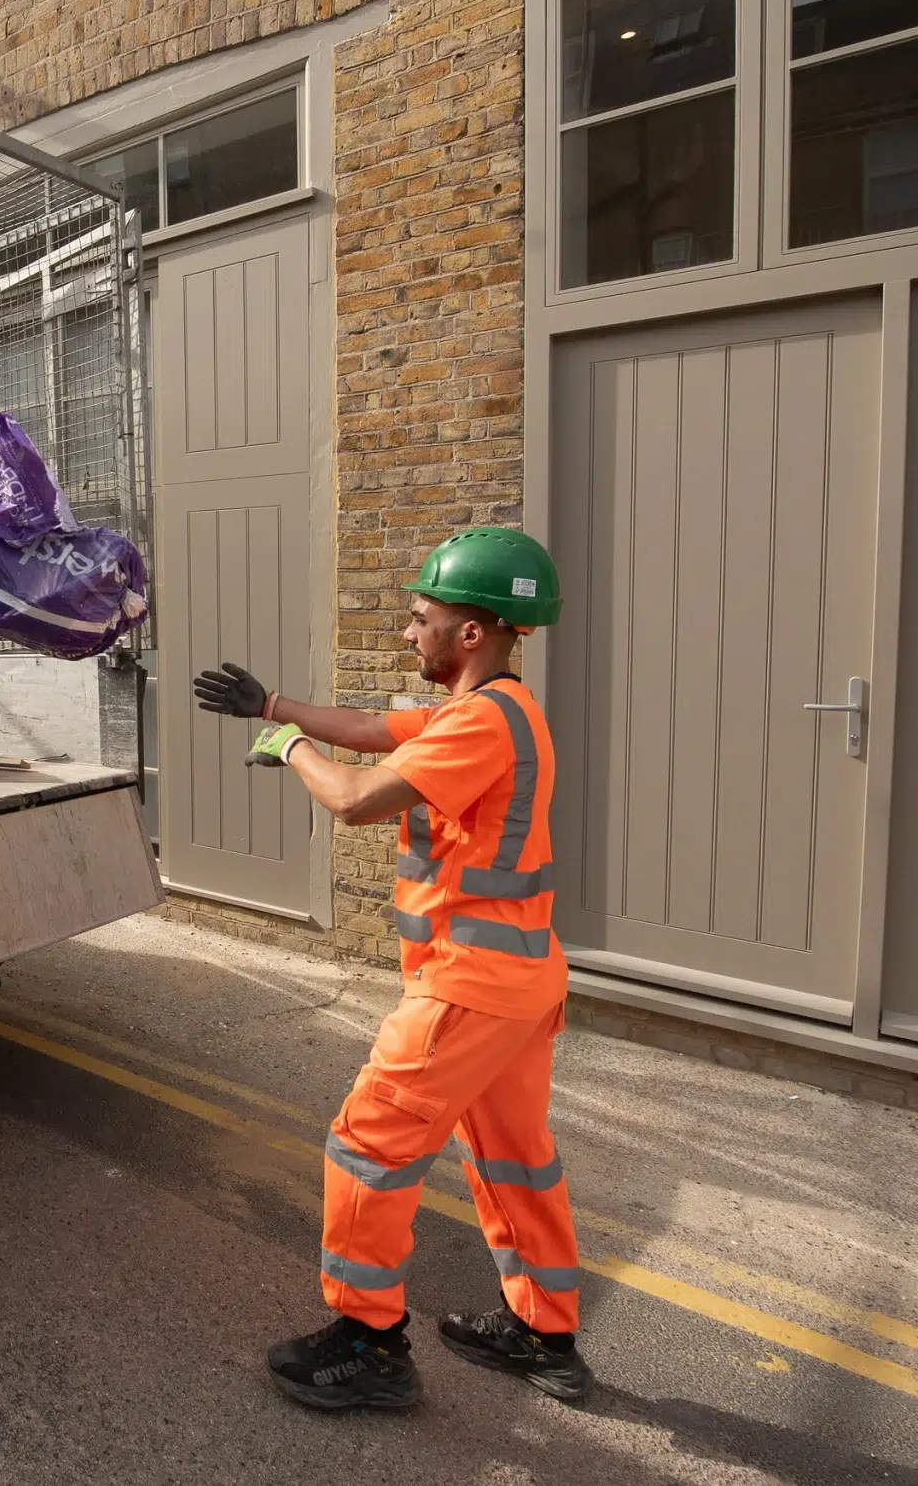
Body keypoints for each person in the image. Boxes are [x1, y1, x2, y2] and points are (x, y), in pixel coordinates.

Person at [195, 527, 591, 1413]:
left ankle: (368, 1344)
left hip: (469, 986)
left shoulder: (478, 723)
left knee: (368, 1145)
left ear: (470, 632)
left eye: (420, 618)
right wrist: (273, 705)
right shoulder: (495, 709)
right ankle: (545, 1334)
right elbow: (374, 731)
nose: (409, 633)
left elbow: (356, 797)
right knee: (513, 1157)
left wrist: (287, 749)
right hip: (520, 984)